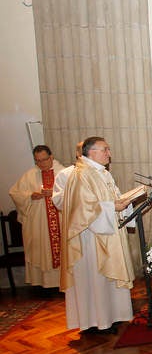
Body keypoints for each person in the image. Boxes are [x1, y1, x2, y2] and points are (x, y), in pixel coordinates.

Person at [60, 137, 137, 334]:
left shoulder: (101, 173)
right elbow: (82, 209)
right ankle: (97, 321)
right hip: (91, 238)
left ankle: (113, 315)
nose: (109, 154)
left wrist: (123, 202)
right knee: (95, 278)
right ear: (91, 152)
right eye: (105, 149)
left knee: (105, 280)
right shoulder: (81, 175)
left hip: (108, 232)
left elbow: (110, 198)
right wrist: (113, 206)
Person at [9, 145, 66, 291]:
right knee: (42, 251)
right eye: (38, 161)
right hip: (39, 224)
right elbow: (15, 193)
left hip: (60, 220)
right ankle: (45, 285)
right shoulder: (30, 174)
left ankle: (64, 283)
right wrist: (30, 196)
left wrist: (54, 193)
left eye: (44, 160)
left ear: (51, 157)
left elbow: (74, 194)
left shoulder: (64, 173)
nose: (41, 164)